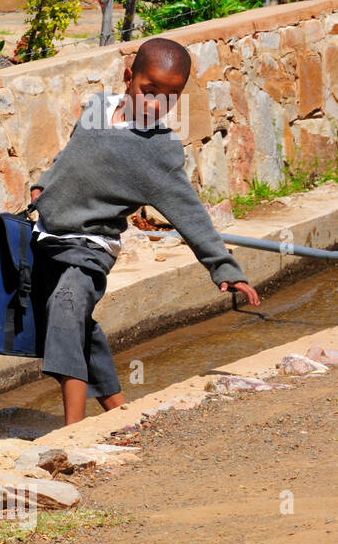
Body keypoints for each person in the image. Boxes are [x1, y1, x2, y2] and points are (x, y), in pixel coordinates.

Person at [28, 36, 261, 425]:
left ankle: (72, 431)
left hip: (90, 246)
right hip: (50, 236)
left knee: (65, 313)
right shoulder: (97, 108)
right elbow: (70, 155)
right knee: (81, 327)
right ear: (127, 78)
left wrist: (224, 268)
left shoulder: (159, 150)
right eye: (149, 91)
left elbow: (190, 213)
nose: (157, 105)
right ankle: (119, 411)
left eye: (169, 98)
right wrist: (45, 182)